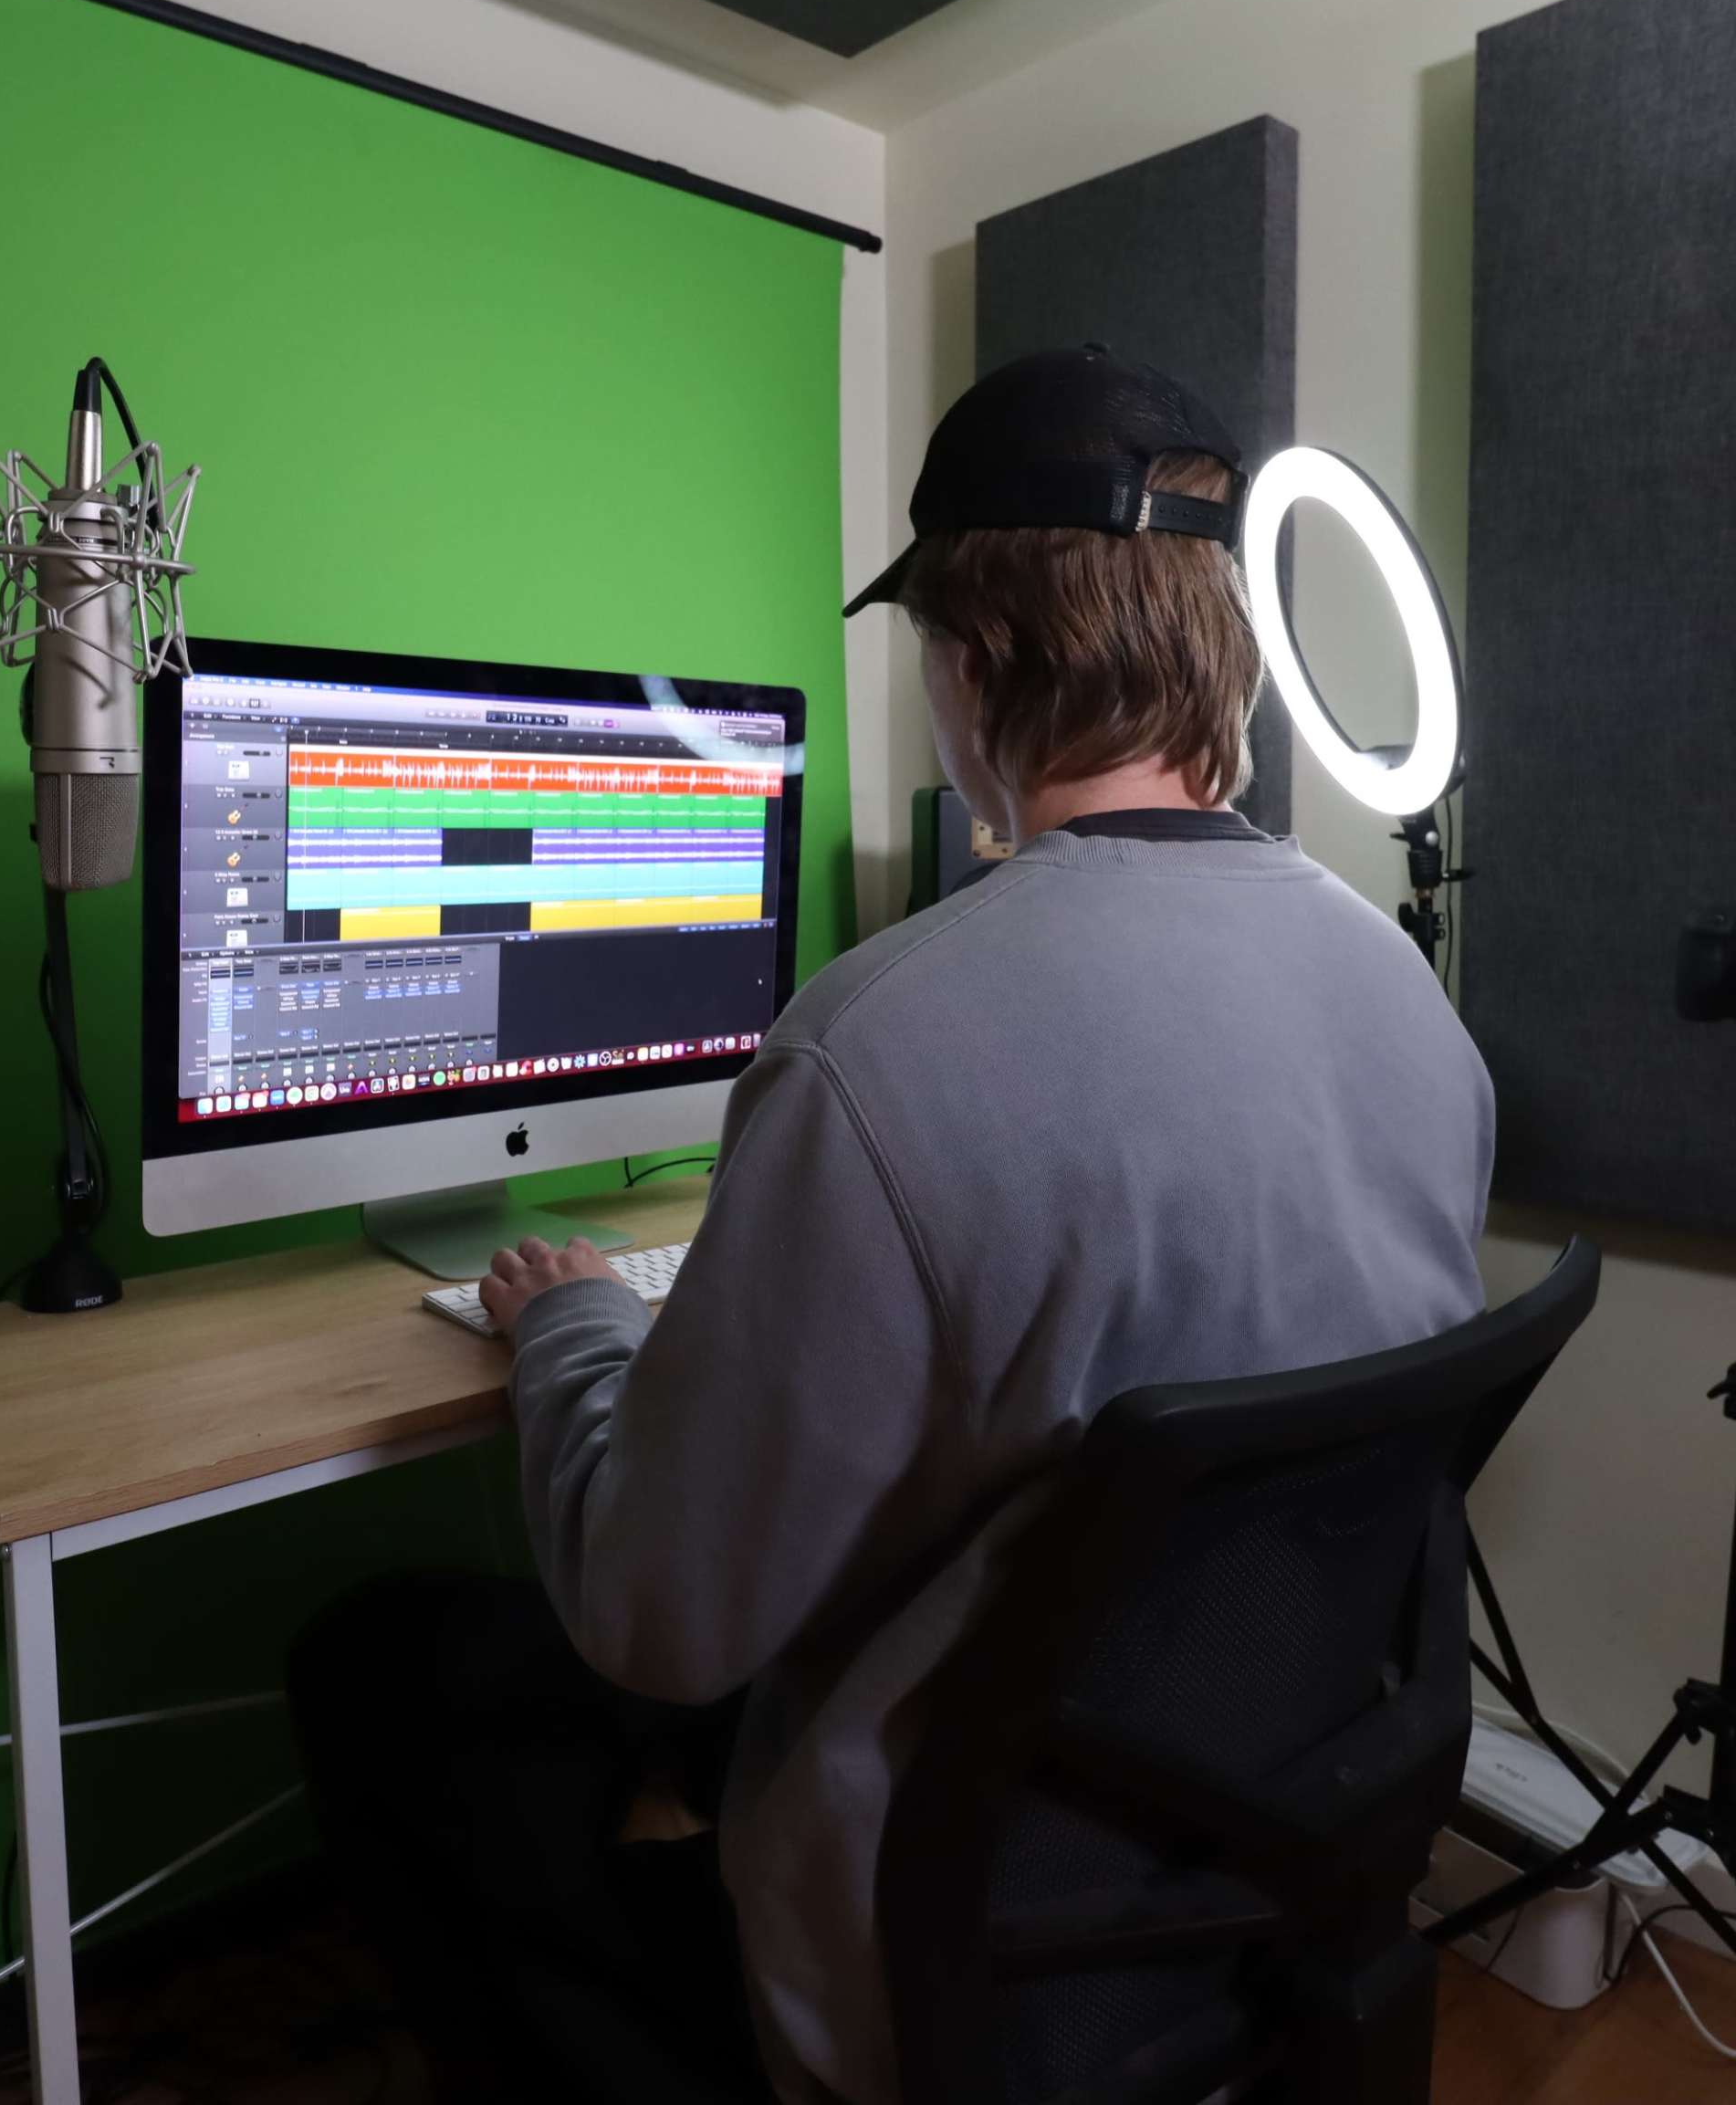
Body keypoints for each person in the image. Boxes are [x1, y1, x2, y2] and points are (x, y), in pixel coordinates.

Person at [287, 347, 1495, 2105]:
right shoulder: (1407, 998)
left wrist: (570, 1324)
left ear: (975, 660)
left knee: (397, 1666)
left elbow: (660, 1617)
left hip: (949, 1922)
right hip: (1254, 1845)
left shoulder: (876, 1046)